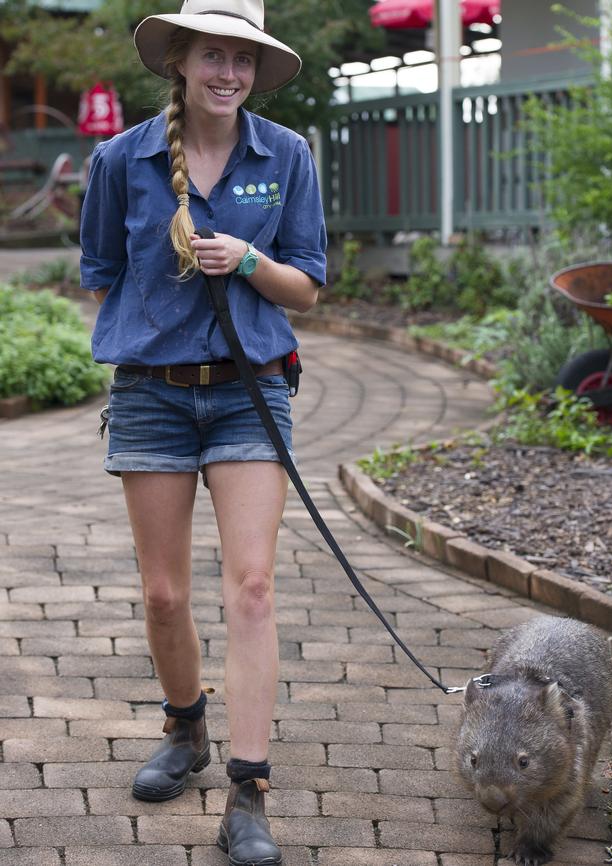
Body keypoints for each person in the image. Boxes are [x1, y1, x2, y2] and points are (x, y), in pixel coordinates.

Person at [79, 2, 327, 863]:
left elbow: (308, 289)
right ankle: (185, 730)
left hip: (250, 395)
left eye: (243, 60)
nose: (229, 73)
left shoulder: (285, 156)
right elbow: (102, 270)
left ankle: (248, 791)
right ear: (180, 61)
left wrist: (250, 263)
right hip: (151, 395)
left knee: (251, 587)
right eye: (213, 56)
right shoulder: (121, 159)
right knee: (163, 596)